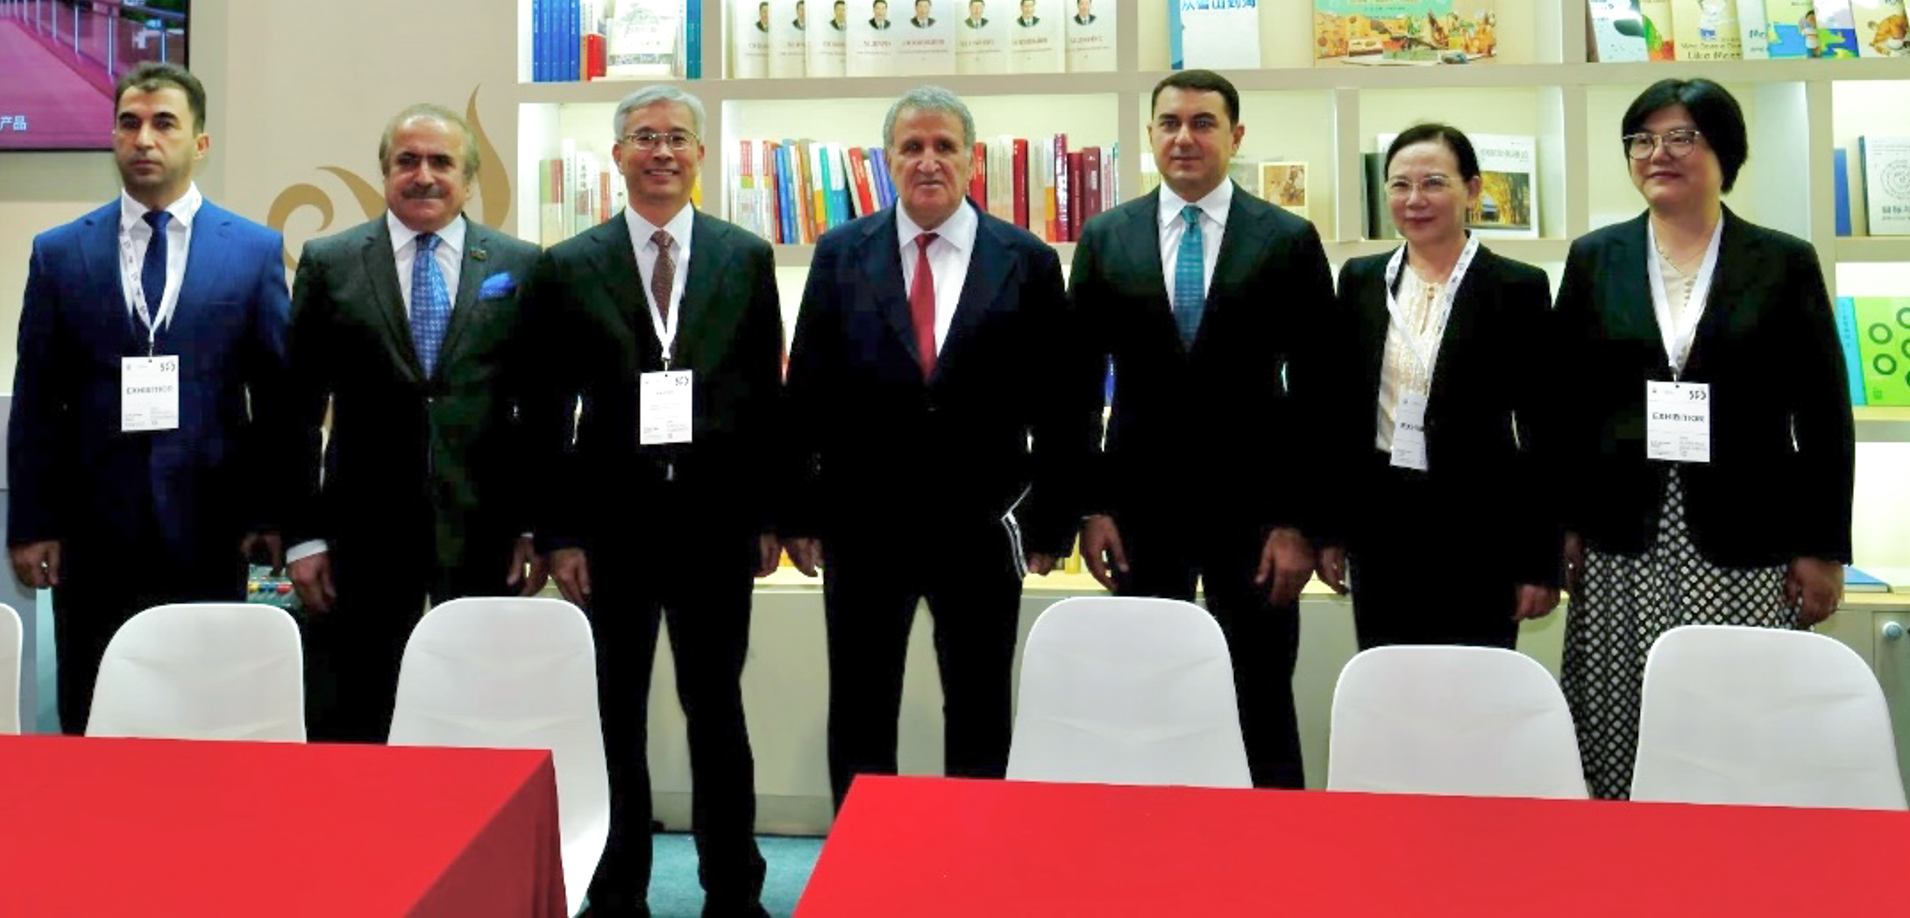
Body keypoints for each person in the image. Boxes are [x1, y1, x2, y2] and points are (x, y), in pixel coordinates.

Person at [784, 84, 1088, 810]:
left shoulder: (1027, 259)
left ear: (971, 159)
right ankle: (863, 861)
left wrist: (1050, 523)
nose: (928, 161)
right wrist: (799, 513)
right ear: (887, 159)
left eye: (944, 146)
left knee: (980, 709)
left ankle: (975, 861)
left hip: (982, 528)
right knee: (861, 708)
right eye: (912, 147)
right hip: (863, 525)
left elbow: (1063, 403)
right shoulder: (840, 253)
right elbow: (807, 393)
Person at [1553, 78, 1853, 800]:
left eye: (1681, 137)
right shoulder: (1597, 256)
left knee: (1737, 717)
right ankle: (1627, 854)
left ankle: (1738, 850)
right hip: (1621, 537)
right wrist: (1560, 523)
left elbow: (1822, 412)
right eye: (1642, 139)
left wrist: (1823, 548)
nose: (1658, 153)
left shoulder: (1781, 260)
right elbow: (1565, 404)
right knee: (1622, 717)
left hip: (1746, 535)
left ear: (1726, 152)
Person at [528, 85, 783, 918]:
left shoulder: (746, 257)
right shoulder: (569, 264)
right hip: (611, 529)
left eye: (677, 137)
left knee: (718, 710)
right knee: (614, 714)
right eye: (644, 137)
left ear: (700, 153)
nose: (661, 151)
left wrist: (770, 515)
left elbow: (765, 399)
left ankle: (734, 887)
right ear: (618, 155)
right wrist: (559, 533)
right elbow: (548, 410)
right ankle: (617, 887)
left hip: (717, 524)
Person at [1069, 68, 1335, 788]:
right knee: (1147, 694)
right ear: (1151, 134)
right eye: (1170, 123)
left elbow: (1319, 392)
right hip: (1139, 511)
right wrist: (1091, 508)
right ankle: (1149, 842)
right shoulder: (1106, 236)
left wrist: (1298, 523)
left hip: (1256, 516)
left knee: (1261, 696)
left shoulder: (1287, 237)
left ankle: (1274, 848)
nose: (1184, 137)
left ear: (1235, 135)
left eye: (1203, 123)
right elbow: (1077, 383)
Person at [6, 62, 288, 734]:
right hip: (92, 530)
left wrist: (271, 511)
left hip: (212, 525)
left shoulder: (253, 251)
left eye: (164, 123)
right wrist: (31, 523)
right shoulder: (59, 253)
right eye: (129, 123)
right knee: (96, 706)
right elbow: (37, 398)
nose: (144, 139)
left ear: (200, 142)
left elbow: (277, 397)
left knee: (204, 711)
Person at [281, 103, 545, 743]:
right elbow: (296, 412)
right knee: (359, 720)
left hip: (484, 535)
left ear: (469, 179)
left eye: (441, 162)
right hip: (361, 537)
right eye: (407, 161)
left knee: (480, 716)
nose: (423, 175)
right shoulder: (331, 262)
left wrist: (534, 526)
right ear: (385, 172)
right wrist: (303, 538)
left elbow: (539, 412)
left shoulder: (521, 264)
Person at [1321, 123, 1559, 650]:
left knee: (1473, 678)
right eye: (1400, 185)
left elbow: (1544, 429)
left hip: (1480, 522)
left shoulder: (1517, 287)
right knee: (1389, 673)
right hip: (1380, 519)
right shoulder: (1361, 280)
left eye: (1433, 183)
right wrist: (1331, 531)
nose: (1414, 200)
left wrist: (1538, 560)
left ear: (1472, 189)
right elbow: (1341, 415)